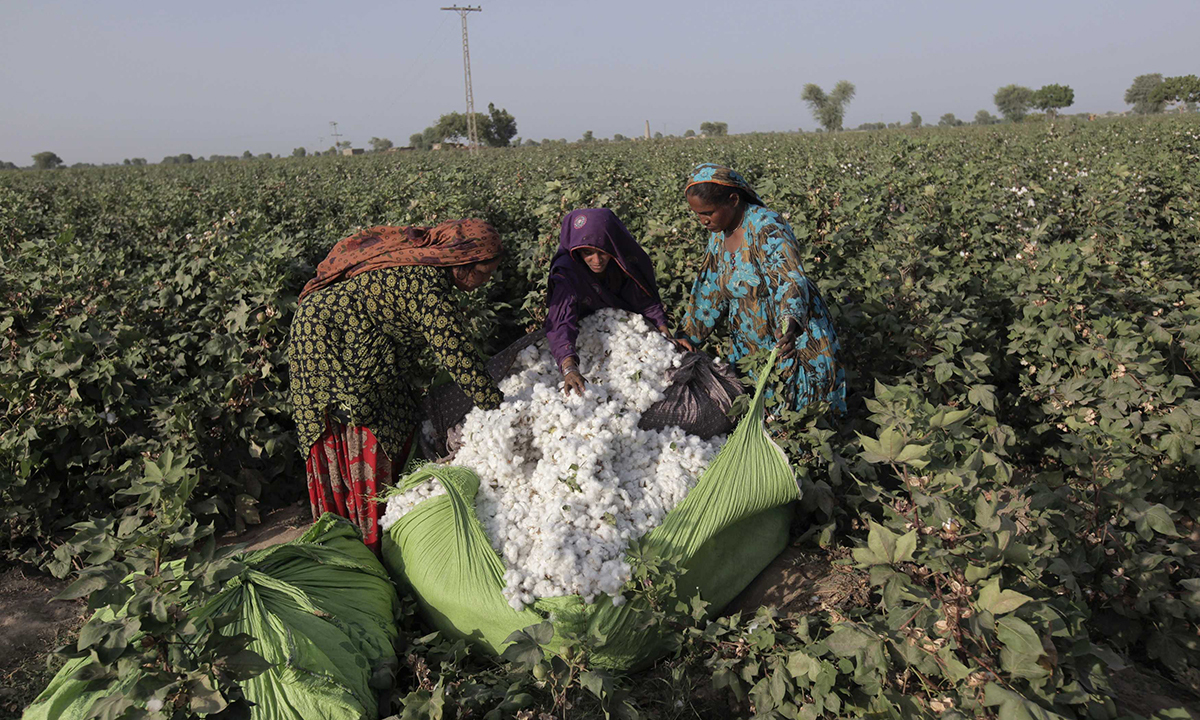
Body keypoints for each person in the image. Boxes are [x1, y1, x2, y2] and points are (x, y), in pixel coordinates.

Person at [288, 220, 504, 552]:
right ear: (462, 265)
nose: (487, 281)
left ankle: (373, 531)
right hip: (326, 340)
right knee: (367, 421)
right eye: (484, 273)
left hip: (343, 331)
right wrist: (497, 406)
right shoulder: (427, 285)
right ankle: (364, 540)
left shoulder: (427, 272)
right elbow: (456, 353)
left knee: (396, 412)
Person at [678, 163, 846, 414]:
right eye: (698, 214)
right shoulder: (718, 233)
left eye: (708, 212)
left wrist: (789, 324)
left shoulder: (766, 225)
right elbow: (710, 289)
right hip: (748, 339)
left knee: (795, 409)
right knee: (758, 409)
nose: (703, 221)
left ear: (733, 200)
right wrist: (688, 335)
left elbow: (788, 278)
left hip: (788, 333)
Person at [546, 208, 677, 394]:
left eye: (603, 252)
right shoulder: (568, 275)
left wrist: (666, 338)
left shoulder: (623, 263)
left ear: (613, 246)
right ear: (576, 250)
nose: (596, 260)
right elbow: (561, 324)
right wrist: (569, 369)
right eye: (587, 252)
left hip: (624, 332)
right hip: (582, 337)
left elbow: (644, 301)